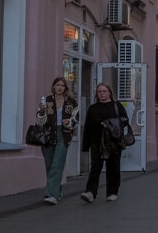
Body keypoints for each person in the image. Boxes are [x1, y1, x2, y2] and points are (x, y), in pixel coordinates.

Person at [80, 82, 128, 203]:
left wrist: (110, 123)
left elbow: (125, 120)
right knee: (95, 166)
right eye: (99, 91)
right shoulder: (93, 108)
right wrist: (86, 145)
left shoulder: (117, 106)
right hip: (96, 141)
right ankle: (90, 192)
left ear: (110, 93)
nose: (101, 94)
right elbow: (88, 127)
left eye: (104, 91)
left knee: (113, 167)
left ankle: (112, 192)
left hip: (113, 141)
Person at [36, 77, 79, 205]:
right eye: (57, 85)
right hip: (48, 135)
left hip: (63, 135)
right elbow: (40, 122)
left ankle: (51, 195)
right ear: (53, 87)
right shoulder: (47, 101)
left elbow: (76, 120)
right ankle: (57, 191)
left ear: (65, 88)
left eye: (62, 85)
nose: (60, 87)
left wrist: (69, 122)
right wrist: (42, 112)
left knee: (57, 164)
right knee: (49, 165)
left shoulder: (71, 103)